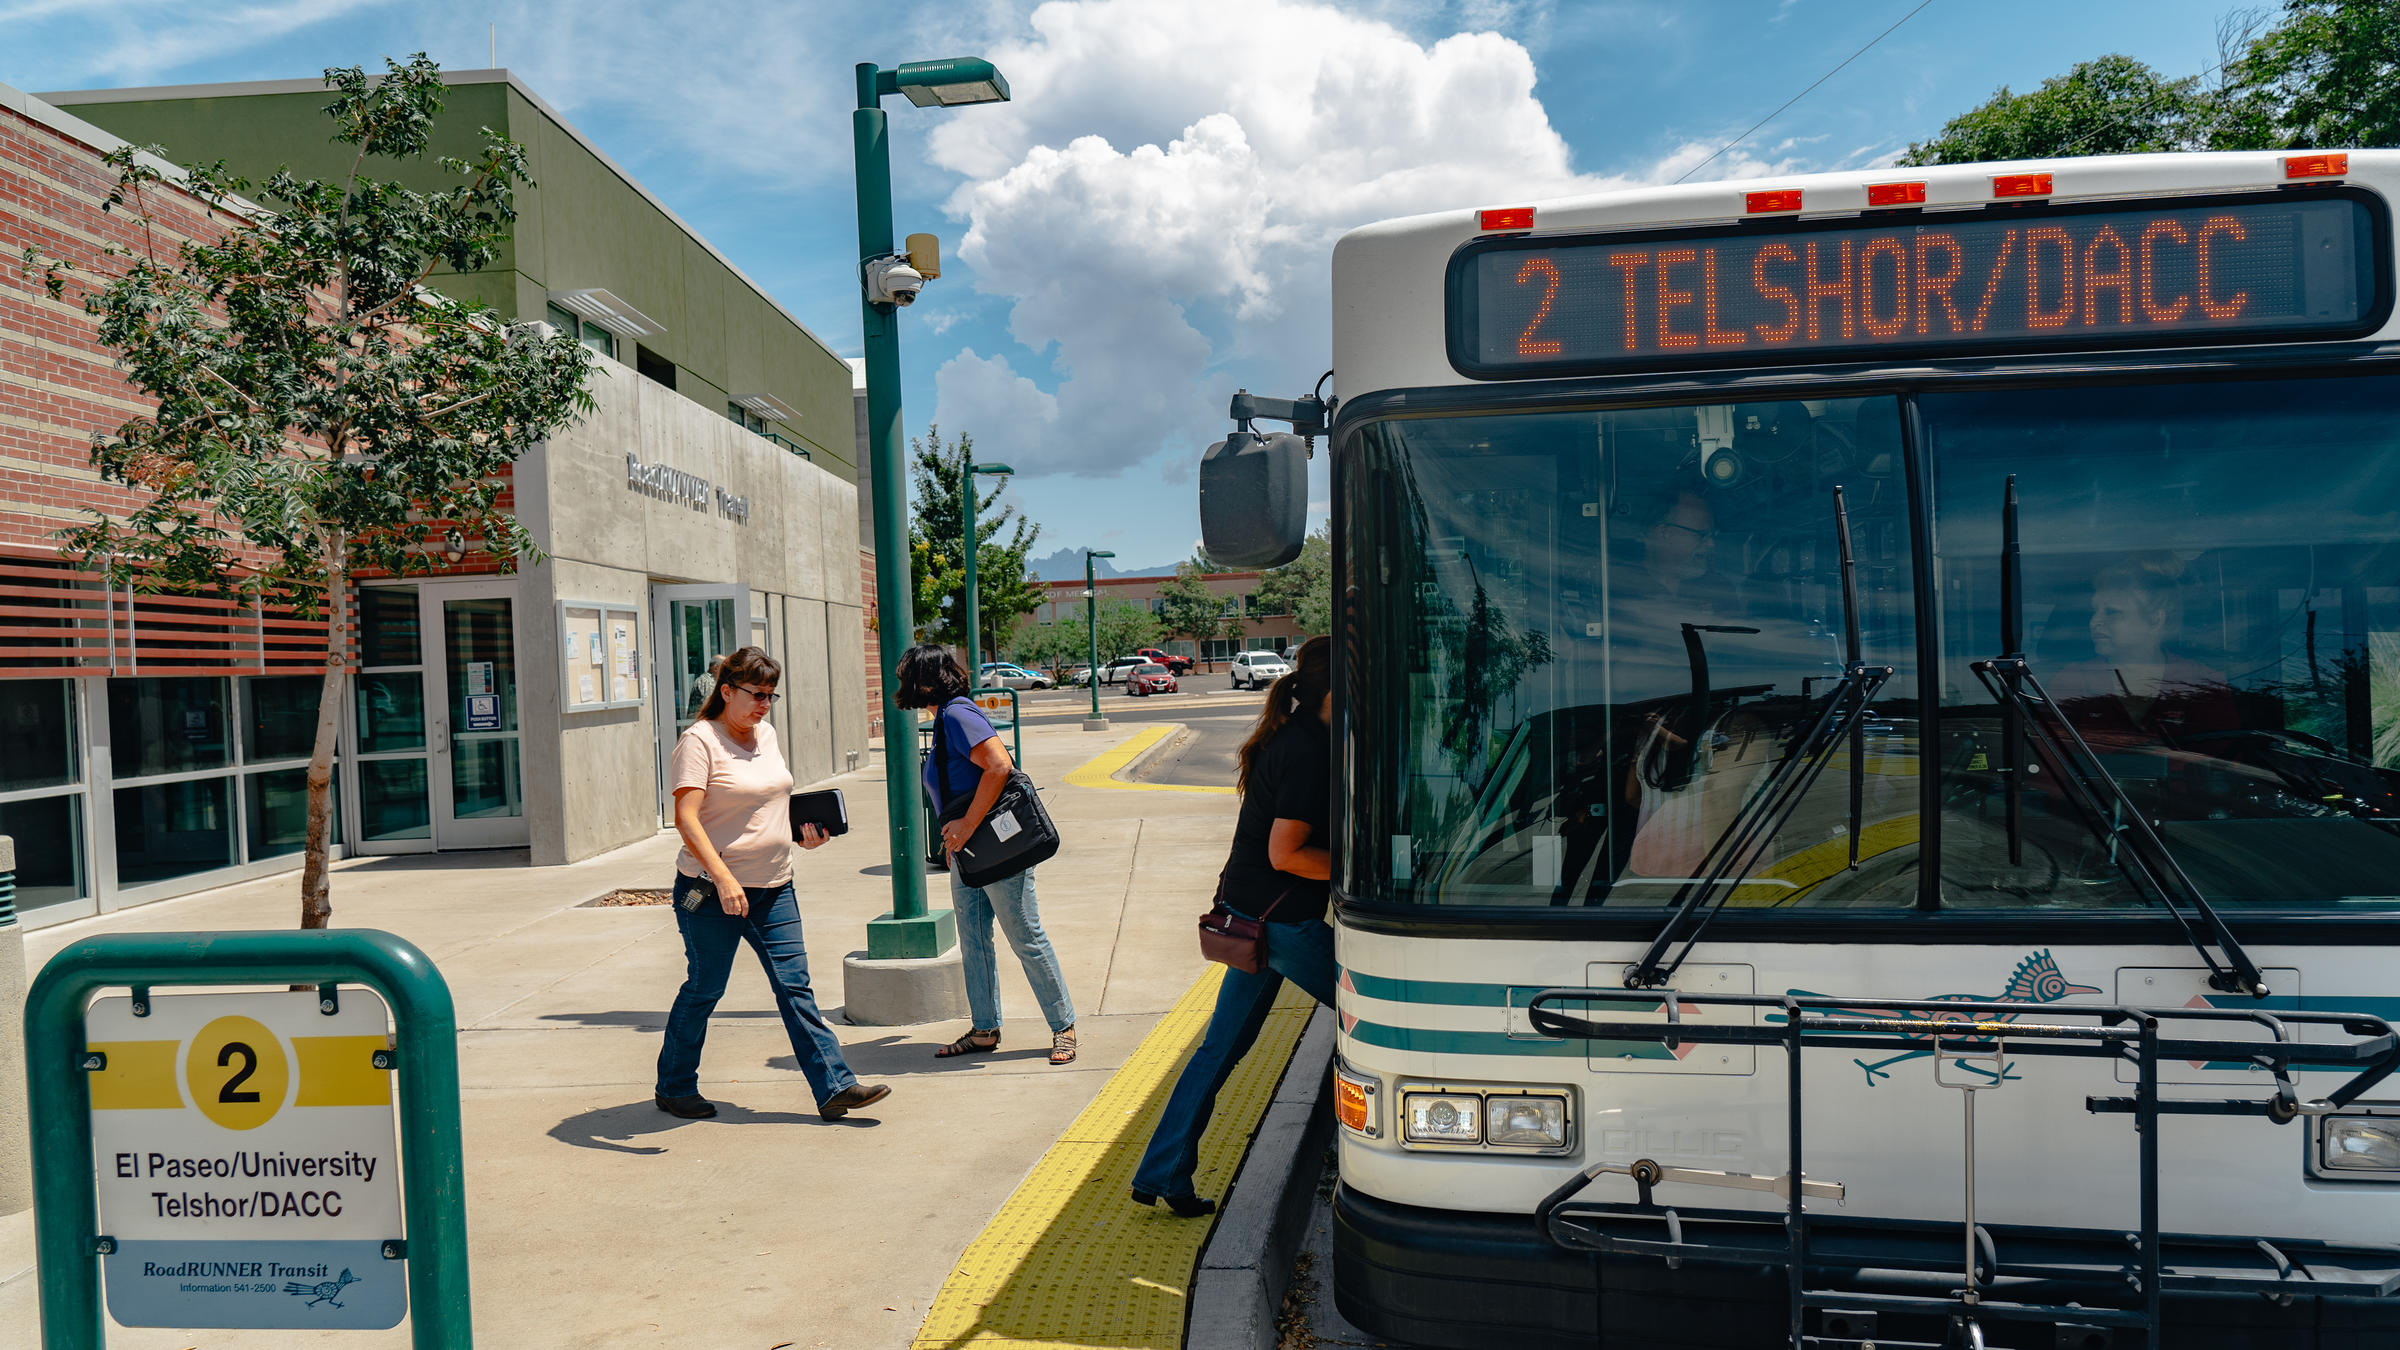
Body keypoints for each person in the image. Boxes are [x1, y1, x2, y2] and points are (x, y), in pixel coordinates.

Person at [1131, 636, 1338, 1217]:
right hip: (1281, 924)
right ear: (1339, 688)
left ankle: (1164, 1173)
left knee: (1219, 1049)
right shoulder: (1308, 749)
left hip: (1250, 915)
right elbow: (1286, 853)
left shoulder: (1297, 735)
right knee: (1380, 1014)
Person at [655, 646, 890, 1122]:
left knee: (795, 988)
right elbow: (685, 818)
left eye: (770, 695)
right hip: (710, 891)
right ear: (726, 691)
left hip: (774, 886)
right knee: (704, 989)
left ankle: (835, 1088)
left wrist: (802, 838)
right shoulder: (699, 741)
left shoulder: (767, 734)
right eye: (756, 694)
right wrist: (723, 878)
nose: (764, 704)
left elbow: (770, 804)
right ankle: (674, 1086)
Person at [898, 644, 1080, 1065]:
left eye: (905, 676)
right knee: (975, 941)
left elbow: (999, 766)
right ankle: (984, 1029)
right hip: (970, 853)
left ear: (923, 681)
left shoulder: (959, 715)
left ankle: (1063, 1025)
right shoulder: (946, 719)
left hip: (991, 848)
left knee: (1026, 938)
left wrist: (964, 826)